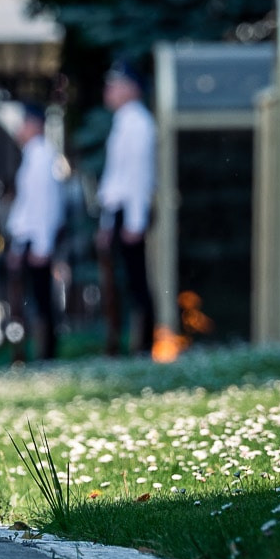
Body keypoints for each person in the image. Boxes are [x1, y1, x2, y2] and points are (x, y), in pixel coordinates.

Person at [97, 59, 158, 356]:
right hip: (121, 210)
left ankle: (145, 343)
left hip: (132, 210)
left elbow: (138, 177)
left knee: (137, 278)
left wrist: (135, 220)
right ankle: (131, 341)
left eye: (116, 84)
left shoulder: (139, 123)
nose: (110, 90)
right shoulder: (123, 122)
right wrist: (108, 223)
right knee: (127, 279)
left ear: (131, 88)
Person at [5, 105, 65, 360]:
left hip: (36, 240)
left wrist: (41, 244)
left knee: (41, 300)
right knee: (33, 300)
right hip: (28, 239)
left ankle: (46, 353)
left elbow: (45, 205)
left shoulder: (41, 156)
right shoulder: (33, 155)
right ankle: (37, 352)